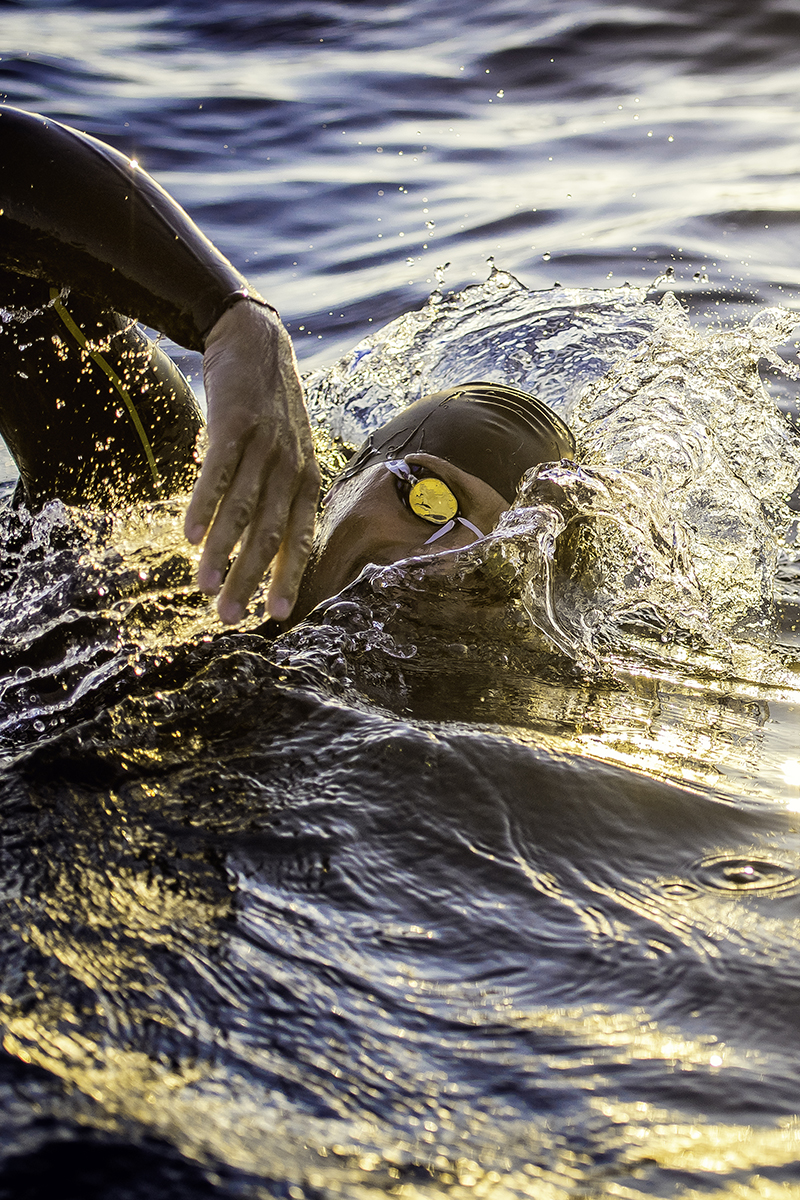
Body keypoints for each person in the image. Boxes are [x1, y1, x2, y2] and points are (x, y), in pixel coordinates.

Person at [0, 106, 574, 626]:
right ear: (338, 482)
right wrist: (231, 318)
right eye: (430, 501)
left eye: (492, 561)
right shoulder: (150, 524)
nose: (441, 561)